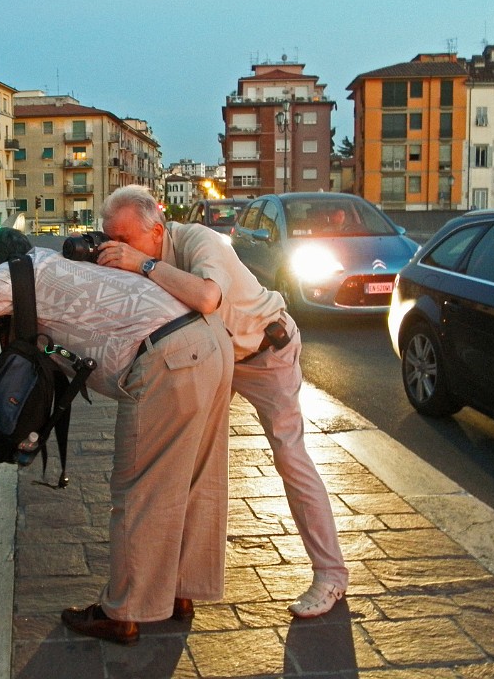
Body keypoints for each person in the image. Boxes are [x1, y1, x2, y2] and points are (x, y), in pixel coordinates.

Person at [0, 228, 234, 644]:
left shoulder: (13, 274)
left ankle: (124, 612)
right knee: (197, 478)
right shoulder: (52, 261)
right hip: (211, 340)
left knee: (139, 490)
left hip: (168, 360)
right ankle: (181, 592)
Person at [98, 186, 349, 618]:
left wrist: (142, 264)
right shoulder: (141, 257)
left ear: (157, 231)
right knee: (190, 462)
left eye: (124, 240)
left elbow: (207, 297)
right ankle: (182, 584)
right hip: (212, 356)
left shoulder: (200, 240)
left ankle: (331, 575)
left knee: (291, 457)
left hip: (266, 352)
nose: (115, 250)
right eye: (108, 240)